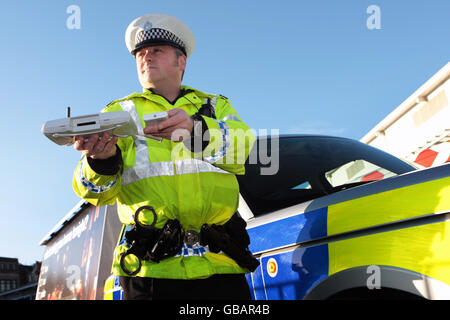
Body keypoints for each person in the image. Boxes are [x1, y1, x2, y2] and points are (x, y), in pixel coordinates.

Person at [72, 14, 257, 300]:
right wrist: (101, 161)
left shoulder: (215, 106)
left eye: (156, 50)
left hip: (221, 266)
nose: (146, 57)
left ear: (181, 62)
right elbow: (93, 193)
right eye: (141, 54)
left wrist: (197, 131)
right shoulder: (119, 114)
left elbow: (246, 148)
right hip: (150, 272)